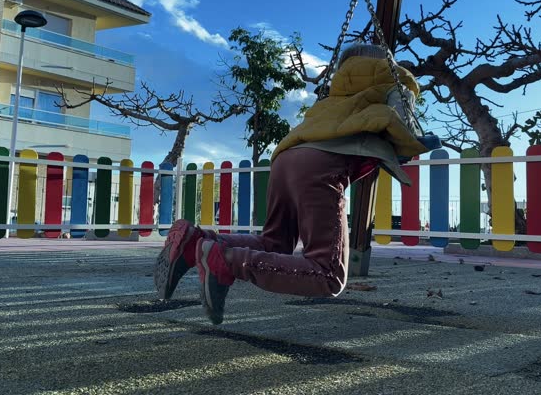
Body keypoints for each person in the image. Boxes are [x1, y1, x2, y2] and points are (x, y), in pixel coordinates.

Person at [154, 44, 429, 325]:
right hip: (322, 164)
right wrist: (418, 141)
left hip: (285, 158)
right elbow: (404, 129)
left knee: (274, 243)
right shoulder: (394, 79)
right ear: (386, 60)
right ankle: (223, 259)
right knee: (327, 274)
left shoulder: (335, 92)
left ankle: (195, 242)